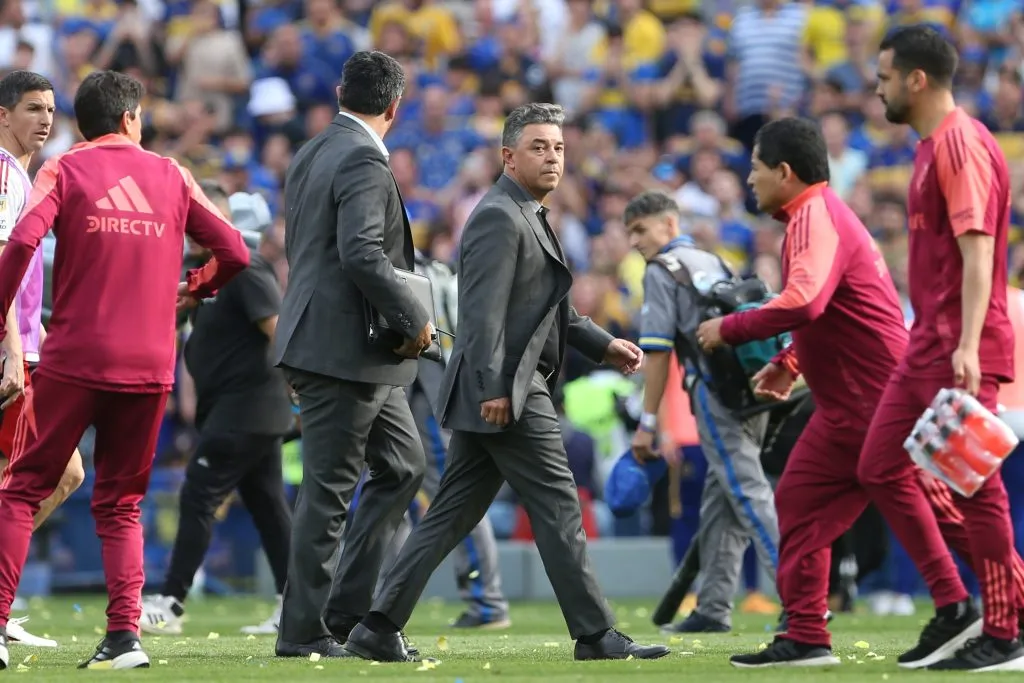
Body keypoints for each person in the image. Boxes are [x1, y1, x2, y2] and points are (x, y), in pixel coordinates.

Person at [342, 103, 670, 663]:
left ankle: (376, 626)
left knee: (449, 515)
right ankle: (595, 635)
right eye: (539, 147)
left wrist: (604, 344)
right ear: (508, 156)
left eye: (559, 147)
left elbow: (552, 311)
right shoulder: (500, 215)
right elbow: (482, 314)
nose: (552, 157)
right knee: (560, 505)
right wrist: (496, 386)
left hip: (499, 386)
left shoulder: (528, 212)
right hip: (510, 389)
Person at [695, 116, 979, 669]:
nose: (748, 179)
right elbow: (836, 308)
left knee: (942, 509)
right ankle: (805, 633)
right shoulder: (817, 216)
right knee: (799, 505)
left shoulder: (813, 216)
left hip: (880, 397)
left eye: (754, 168)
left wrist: (729, 328)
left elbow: (805, 301)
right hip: (847, 405)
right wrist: (791, 359)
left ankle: (970, 609)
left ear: (784, 171)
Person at [0, 69, 249, 672]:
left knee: (23, 487)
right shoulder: (172, 174)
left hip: (74, 357)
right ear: (133, 118)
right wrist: (193, 288)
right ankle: (123, 638)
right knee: (121, 504)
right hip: (149, 362)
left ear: (79, 123)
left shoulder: (64, 169)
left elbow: (23, 241)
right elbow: (236, 251)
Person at [271, 50, 433, 659]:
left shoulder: (311, 150)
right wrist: (416, 319)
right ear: (395, 105)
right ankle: (304, 631)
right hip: (342, 350)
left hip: (338, 346)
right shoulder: (365, 157)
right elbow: (363, 254)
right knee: (330, 490)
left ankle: (348, 614)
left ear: (341, 91)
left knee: (403, 466)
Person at [870, 25, 1022, 670]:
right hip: (925, 340)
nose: (876, 89)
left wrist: (966, 344)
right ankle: (977, 602)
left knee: (975, 487)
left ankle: (1006, 626)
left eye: (882, 78)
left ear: (916, 79)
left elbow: (980, 249)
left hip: (958, 345)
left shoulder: (960, 144)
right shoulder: (933, 145)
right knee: (880, 464)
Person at [140, 188, 293, 638]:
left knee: (199, 495)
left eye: (202, 219)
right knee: (269, 508)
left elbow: (277, 329)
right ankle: (296, 605)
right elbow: (178, 325)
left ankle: (170, 601)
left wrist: (299, 385)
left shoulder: (244, 264)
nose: (193, 229)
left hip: (245, 409)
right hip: (239, 409)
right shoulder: (208, 273)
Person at [625, 189, 779, 634]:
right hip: (750, 386)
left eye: (641, 229)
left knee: (748, 493)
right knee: (722, 503)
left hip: (715, 391)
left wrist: (648, 423)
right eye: (630, 232)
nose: (635, 240)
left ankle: (801, 595)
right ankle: (713, 606)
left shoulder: (662, 269)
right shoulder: (713, 260)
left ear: (669, 225)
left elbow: (657, 353)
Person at [378, 250, 511, 630]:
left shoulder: (409, 269)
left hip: (428, 393)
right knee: (392, 494)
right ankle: (379, 600)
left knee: (449, 495)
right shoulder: (431, 266)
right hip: (417, 392)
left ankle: (487, 601)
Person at [0, 70, 84, 649]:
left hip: (26, 348)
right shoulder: (6, 177)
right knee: (60, 473)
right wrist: (12, 352)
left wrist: (43, 333)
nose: (45, 119)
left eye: (51, 109)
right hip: (10, 356)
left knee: (35, 477)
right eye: (32, 108)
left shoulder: (24, 180)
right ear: (4, 115)